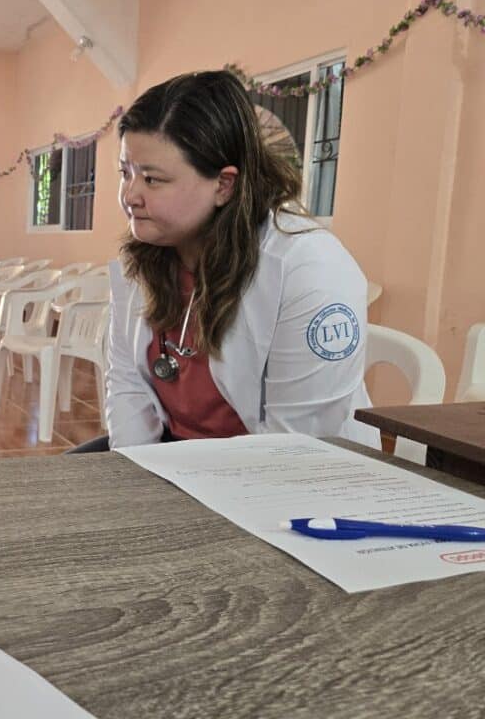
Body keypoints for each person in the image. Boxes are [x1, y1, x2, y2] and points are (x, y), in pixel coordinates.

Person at [103, 70, 378, 449]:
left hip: (284, 476)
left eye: (152, 179)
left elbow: (297, 445)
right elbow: (127, 384)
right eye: (125, 172)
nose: (130, 195)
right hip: (172, 456)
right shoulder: (145, 257)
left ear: (223, 184)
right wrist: (136, 475)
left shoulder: (309, 269)